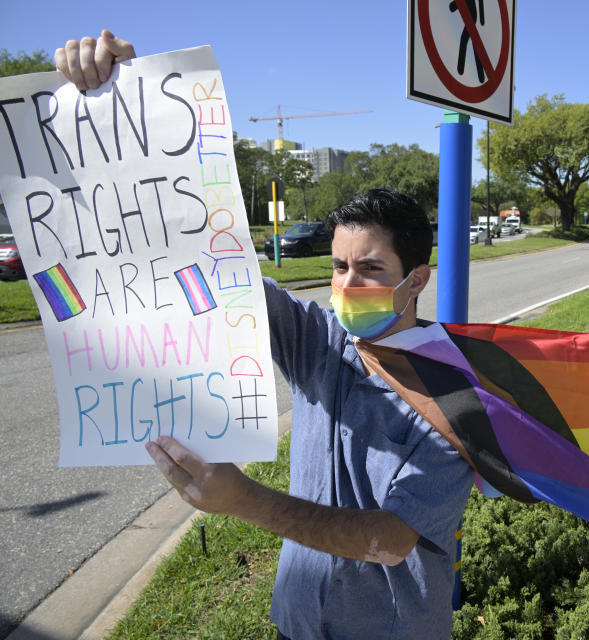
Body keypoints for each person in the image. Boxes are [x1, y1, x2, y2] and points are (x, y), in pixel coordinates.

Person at [56, 33, 474, 640]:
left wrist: (244, 500)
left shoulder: (455, 393)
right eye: (338, 266)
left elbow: (387, 539)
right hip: (296, 622)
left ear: (415, 280)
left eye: (370, 269)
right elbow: (209, 256)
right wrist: (127, 108)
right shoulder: (319, 339)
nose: (347, 283)